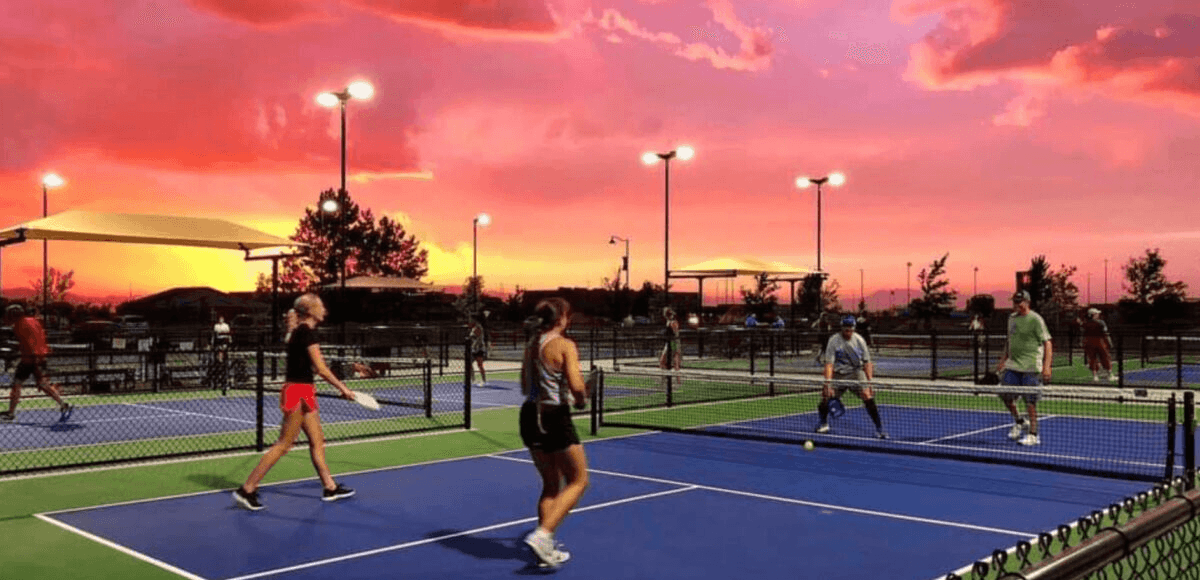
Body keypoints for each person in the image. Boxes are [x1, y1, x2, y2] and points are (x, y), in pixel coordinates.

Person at [233, 293, 356, 511]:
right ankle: (247, 489)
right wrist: (343, 388)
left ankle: (330, 487)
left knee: (317, 441)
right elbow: (321, 369)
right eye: (320, 306)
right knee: (284, 444)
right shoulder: (307, 333)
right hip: (297, 392)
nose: (324, 309)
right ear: (311, 311)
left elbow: (302, 355)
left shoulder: (299, 332)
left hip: (304, 390)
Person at [519, 298, 590, 569]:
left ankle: (544, 549)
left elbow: (525, 386)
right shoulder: (565, 345)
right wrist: (582, 399)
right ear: (560, 318)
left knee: (551, 484)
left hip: (529, 416)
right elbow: (576, 386)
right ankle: (543, 535)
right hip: (554, 417)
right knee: (579, 480)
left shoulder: (531, 345)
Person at [994, 290, 1052, 446]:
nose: (1015, 304)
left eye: (1018, 302)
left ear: (1027, 302)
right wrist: (1003, 360)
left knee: (1030, 402)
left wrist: (1047, 367)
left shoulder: (1036, 319)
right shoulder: (1011, 319)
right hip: (1013, 365)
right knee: (1005, 396)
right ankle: (1020, 421)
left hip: (1031, 367)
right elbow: (1009, 341)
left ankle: (1033, 435)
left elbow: (1047, 343)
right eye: (1014, 301)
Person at [815, 315, 886, 439]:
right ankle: (824, 424)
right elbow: (829, 364)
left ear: (854, 328)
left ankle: (879, 429)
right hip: (839, 374)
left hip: (856, 373)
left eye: (851, 328)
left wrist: (869, 383)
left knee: (867, 396)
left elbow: (867, 363)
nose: (848, 330)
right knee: (825, 398)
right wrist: (827, 383)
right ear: (842, 328)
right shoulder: (834, 340)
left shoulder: (859, 340)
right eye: (846, 328)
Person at [1, 305, 71, 422]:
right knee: (42, 385)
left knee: (18, 383)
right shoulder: (32, 320)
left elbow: (28, 342)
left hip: (30, 358)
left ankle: (11, 413)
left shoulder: (18, 326)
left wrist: (32, 357)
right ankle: (63, 404)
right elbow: (38, 337)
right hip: (39, 355)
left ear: (13, 316)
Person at [1080, 308, 1115, 381]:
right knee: (1105, 357)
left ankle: (1095, 376)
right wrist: (1109, 342)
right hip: (1100, 342)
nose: (1098, 315)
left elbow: (1082, 334)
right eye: (1097, 313)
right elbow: (1105, 333)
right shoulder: (1101, 323)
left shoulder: (1085, 323)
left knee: (1092, 359)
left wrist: (1082, 342)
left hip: (1089, 342)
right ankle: (1109, 375)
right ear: (1093, 315)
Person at [468, 318, 490, 387]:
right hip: (474, 349)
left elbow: (478, 339)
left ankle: (484, 379)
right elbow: (472, 338)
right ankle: (473, 379)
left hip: (479, 349)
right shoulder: (474, 328)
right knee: (469, 364)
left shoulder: (479, 328)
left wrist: (475, 344)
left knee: (479, 365)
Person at [659, 307, 681, 373]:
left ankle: (675, 368)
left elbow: (675, 332)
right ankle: (669, 367)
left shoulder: (672, 321)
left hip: (673, 340)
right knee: (667, 355)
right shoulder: (669, 321)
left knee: (674, 354)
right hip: (671, 340)